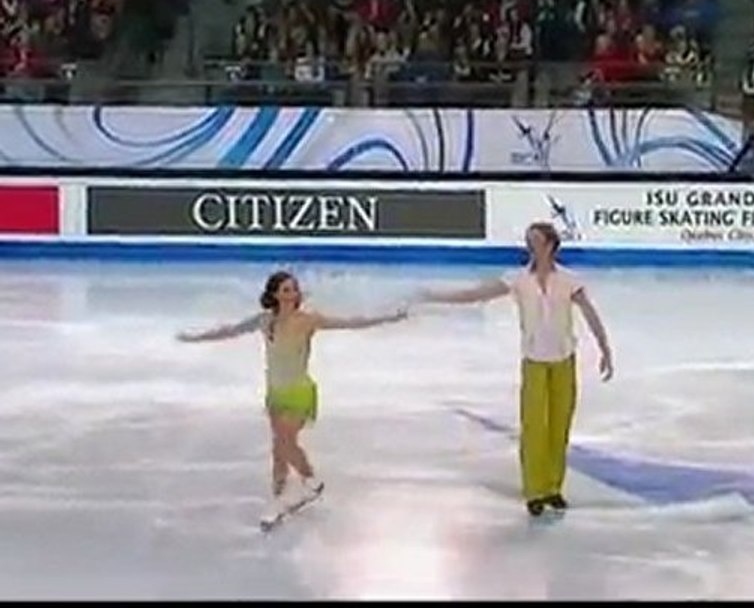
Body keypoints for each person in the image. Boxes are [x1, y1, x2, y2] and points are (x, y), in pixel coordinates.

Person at [176, 270, 408, 523]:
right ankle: (278, 499)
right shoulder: (264, 321)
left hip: (299, 392)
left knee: (286, 443)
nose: (292, 294)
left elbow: (352, 322)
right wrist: (195, 338)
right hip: (275, 393)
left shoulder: (307, 320)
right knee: (278, 449)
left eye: (294, 289)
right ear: (274, 294)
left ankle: (311, 480)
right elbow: (230, 331)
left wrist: (389, 318)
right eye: (286, 290)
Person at [418, 222, 614, 516]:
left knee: (559, 426)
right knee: (534, 426)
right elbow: (477, 294)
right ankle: (535, 491)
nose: (530, 245)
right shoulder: (519, 279)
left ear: (550, 245)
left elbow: (590, 314)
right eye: (528, 240)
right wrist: (438, 296)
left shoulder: (569, 280)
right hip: (534, 360)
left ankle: (553, 487)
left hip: (564, 360)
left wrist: (605, 348)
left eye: (535, 240)